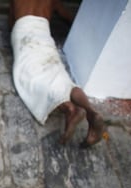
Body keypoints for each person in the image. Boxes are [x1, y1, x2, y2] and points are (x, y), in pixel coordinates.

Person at [9, 0, 104, 147]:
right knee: (62, 78)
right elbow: (68, 19)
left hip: (24, 36)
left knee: (30, 77)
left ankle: (70, 109)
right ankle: (89, 111)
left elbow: (11, 22)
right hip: (44, 36)